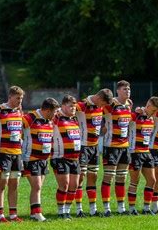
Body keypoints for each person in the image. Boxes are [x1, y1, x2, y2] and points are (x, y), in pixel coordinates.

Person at [75, 88, 113, 217]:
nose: (102, 107)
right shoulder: (81, 106)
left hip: (95, 147)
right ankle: (79, 209)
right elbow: (64, 111)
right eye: (102, 104)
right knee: (80, 177)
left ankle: (93, 209)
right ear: (99, 98)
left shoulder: (100, 107)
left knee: (93, 176)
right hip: (82, 147)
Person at [0, 86, 25, 223]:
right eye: (17, 98)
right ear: (10, 97)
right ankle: (0, 214)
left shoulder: (19, 111)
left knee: (14, 184)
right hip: (2, 153)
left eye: (21, 98)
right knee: (2, 183)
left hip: (17, 153)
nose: (20, 101)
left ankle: (13, 214)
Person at [22, 98, 60, 222]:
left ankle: (33, 213)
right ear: (47, 110)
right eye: (54, 112)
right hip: (31, 158)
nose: (55, 115)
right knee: (37, 186)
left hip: (44, 159)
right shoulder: (30, 117)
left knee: (37, 187)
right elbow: (16, 129)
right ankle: (38, 213)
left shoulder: (50, 120)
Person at [101, 80, 133, 216]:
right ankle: (106, 208)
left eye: (129, 89)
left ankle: (121, 207)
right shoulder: (111, 104)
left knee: (122, 178)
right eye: (124, 89)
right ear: (118, 91)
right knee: (109, 177)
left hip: (125, 146)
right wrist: (102, 127)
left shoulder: (128, 105)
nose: (127, 91)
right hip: (111, 146)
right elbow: (97, 113)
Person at [127, 97, 158, 215]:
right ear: (147, 105)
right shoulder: (136, 115)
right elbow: (124, 119)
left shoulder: (152, 118)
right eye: (152, 110)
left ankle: (146, 208)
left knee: (152, 180)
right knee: (134, 181)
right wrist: (134, 110)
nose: (154, 113)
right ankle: (132, 209)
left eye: (155, 111)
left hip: (147, 152)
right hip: (134, 152)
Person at [52, 95, 82, 220]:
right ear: (62, 106)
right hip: (60, 157)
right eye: (70, 106)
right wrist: (56, 112)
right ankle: (60, 212)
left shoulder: (74, 119)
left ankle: (67, 211)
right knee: (64, 185)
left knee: (74, 186)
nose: (73, 108)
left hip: (75, 158)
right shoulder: (56, 118)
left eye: (74, 106)